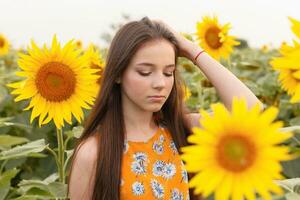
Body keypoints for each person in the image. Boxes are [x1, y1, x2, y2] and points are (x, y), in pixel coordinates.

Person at [67, 17, 262, 200]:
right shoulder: (94, 153)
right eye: (145, 72)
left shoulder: (181, 129)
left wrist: (192, 50)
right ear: (118, 74)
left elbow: (252, 111)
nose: (160, 83)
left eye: (169, 73)